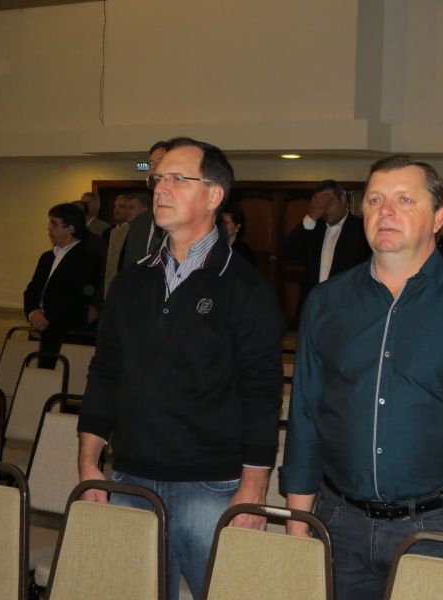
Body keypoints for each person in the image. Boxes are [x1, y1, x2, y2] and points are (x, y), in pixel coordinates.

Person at [280, 155, 443, 600]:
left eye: (404, 200)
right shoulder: (327, 302)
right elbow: (306, 415)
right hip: (339, 522)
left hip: (437, 530)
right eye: (375, 200)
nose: (386, 211)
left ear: (439, 218)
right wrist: (298, 522)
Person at [77, 137, 284, 600]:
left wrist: (254, 489)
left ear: (213, 195)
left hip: (211, 485)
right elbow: (105, 371)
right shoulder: (132, 281)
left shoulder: (244, 287)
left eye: (177, 178)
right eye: (157, 179)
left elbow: (262, 393)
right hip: (131, 479)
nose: (160, 188)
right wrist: (89, 461)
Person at [23, 203, 101, 357]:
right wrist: (33, 313)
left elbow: (77, 297)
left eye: (53, 224)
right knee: (34, 369)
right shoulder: (47, 257)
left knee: (57, 370)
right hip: (39, 327)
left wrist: (45, 319)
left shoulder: (88, 259)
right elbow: (32, 289)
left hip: (65, 333)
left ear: (71, 228)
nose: (48, 228)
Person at [282, 179, 371, 313]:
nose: (324, 209)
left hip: (347, 307)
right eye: (320, 204)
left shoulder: (362, 229)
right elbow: (288, 252)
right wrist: (311, 217)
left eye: (328, 202)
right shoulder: (312, 227)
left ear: (342, 199)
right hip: (313, 306)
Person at [122, 140, 168, 267]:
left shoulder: (187, 221)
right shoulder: (140, 222)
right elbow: (129, 266)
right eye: (151, 164)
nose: (153, 168)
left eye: (160, 161)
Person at [102, 194, 131, 297]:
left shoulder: (131, 232)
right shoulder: (107, 232)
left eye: (121, 206)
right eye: (115, 206)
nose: (117, 209)